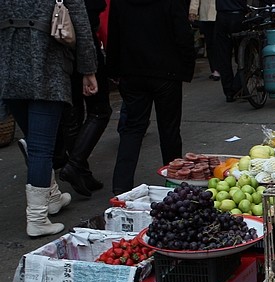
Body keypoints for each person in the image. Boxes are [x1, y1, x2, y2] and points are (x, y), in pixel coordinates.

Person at [0, 0, 98, 237]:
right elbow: (82, 27)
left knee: (36, 141)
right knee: (43, 146)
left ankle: (51, 196)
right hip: (47, 68)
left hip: (9, 69)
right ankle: (37, 218)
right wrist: (89, 70)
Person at [106, 0, 196, 195]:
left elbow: (114, 35)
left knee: (132, 128)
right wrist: (186, 67)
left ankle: (121, 185)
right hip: (166, 71)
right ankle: (174, 183)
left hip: (133, 71)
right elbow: (183, 33)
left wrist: (113, 70)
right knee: (169, 130)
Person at [56, 0, 112, 197]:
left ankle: (82, 171)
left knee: (74, 113)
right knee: (100, 110)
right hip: (82, 44)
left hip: (60, 46)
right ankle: (75, 166)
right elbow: (86, 20)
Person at [214, 0, 248, 102]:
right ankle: (237, 86)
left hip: (221, 17)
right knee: (245, 55)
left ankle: (229, 91)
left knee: (223, 56)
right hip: (238, 17)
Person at [190, 0, 221, 81]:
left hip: (220, 13)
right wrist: (193, 11)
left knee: (218, 43)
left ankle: (219, 68)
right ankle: (215, 69)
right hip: (206, 15)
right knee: (210, 43)